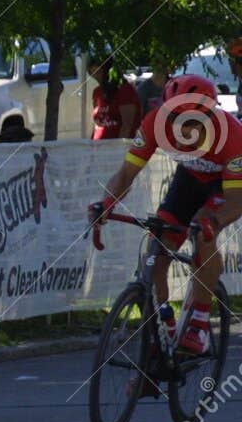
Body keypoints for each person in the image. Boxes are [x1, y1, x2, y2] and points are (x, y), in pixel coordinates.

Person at [89, 75, 242, 355]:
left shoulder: (232, 136)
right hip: (189, 179)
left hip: (226, 186)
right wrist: (105, 205)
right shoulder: (155, 123)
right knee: (158, 248)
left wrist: (213, 222)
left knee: (201, 230)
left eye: (192, 122)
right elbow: (125, 174)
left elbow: (236, 199)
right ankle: (163, 336)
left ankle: (198, 321)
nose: (182, 128)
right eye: (175, 119)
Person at [89, 57, 142, 139]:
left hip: (116, 146)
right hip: (98, 146)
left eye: (99, 72)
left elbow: (127, 125)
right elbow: (98, 122)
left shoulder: (124, 90)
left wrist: (118, 148)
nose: (97, 77)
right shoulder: (97, 92)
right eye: (93, 73)